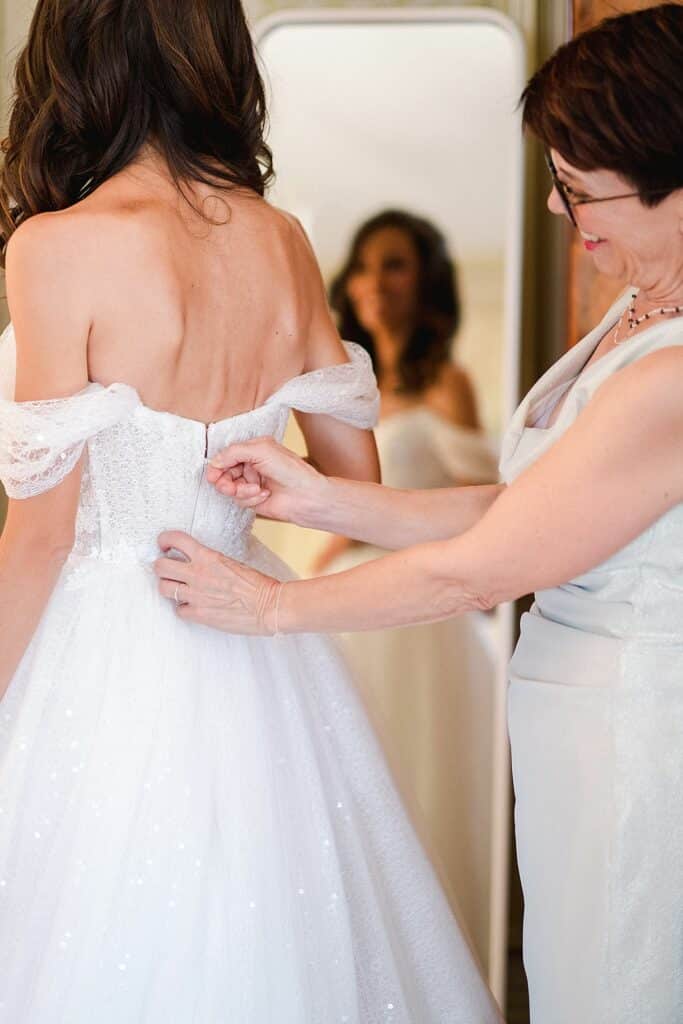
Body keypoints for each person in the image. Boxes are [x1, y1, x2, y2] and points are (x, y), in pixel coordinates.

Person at [158, 5, 683, 1022]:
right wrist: (321, 494)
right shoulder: (640, 304)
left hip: (633, 731)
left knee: (617, 984)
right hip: (573, 717)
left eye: (581, 189)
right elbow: (524, 505)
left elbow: (481, 569)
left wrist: (270, 607)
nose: (554, 207)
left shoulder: (670, 377)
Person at [0, 2, 501, 1022]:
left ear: (72, 57)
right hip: (253, 629)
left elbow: (42, 538)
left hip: (97, 645)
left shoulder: (57, 246)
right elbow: (350, 479)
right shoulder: (280, 239)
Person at [317, 210, 499, 950]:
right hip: (349, 599)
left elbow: (484, 501)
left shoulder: (447, 383)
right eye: (363, 265)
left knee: (415, 775)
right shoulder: (349, 392)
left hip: (417, 608)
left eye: (392, 264)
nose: (372, 282)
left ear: (424, 279)